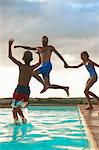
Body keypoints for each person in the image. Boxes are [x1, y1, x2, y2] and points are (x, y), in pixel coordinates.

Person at [8, 39, 44, 124]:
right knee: (16, 108)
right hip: (25, 90)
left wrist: (9, 46)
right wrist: (39, 54)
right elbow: (40, 62)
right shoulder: (31, 68)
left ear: (23, 58)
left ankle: (17, 123)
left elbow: (10, 57)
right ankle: (23, 119)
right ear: (31, 59)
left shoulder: (21, 66)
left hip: (20, 89)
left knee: (14, 109)